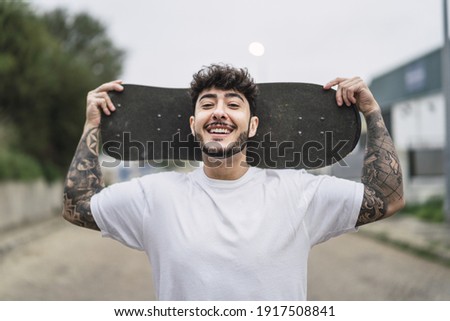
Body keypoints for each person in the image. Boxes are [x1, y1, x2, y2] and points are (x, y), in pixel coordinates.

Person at [62, 64, 404, 300]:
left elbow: (385, 198)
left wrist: (372, 112)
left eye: (233, 104)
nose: (219, 111)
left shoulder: (297, 191)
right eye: (208, 104)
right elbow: (76, 206)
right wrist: (92, 124)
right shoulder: (156, 195)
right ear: (195, 124)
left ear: (252, 126)